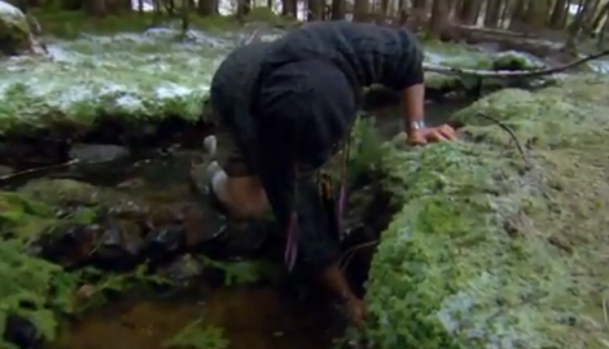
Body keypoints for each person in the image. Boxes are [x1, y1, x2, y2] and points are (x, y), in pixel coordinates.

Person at [195, 20, 458, 327]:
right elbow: (306, 230)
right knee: (249, 204)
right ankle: (209, 168)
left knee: (322, 175)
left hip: (290, 68)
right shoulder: (265, 135)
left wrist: (415, 128)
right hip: (233, 87)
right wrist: (347, 298)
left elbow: (409, 58)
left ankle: (222, 150)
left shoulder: (354, 48)